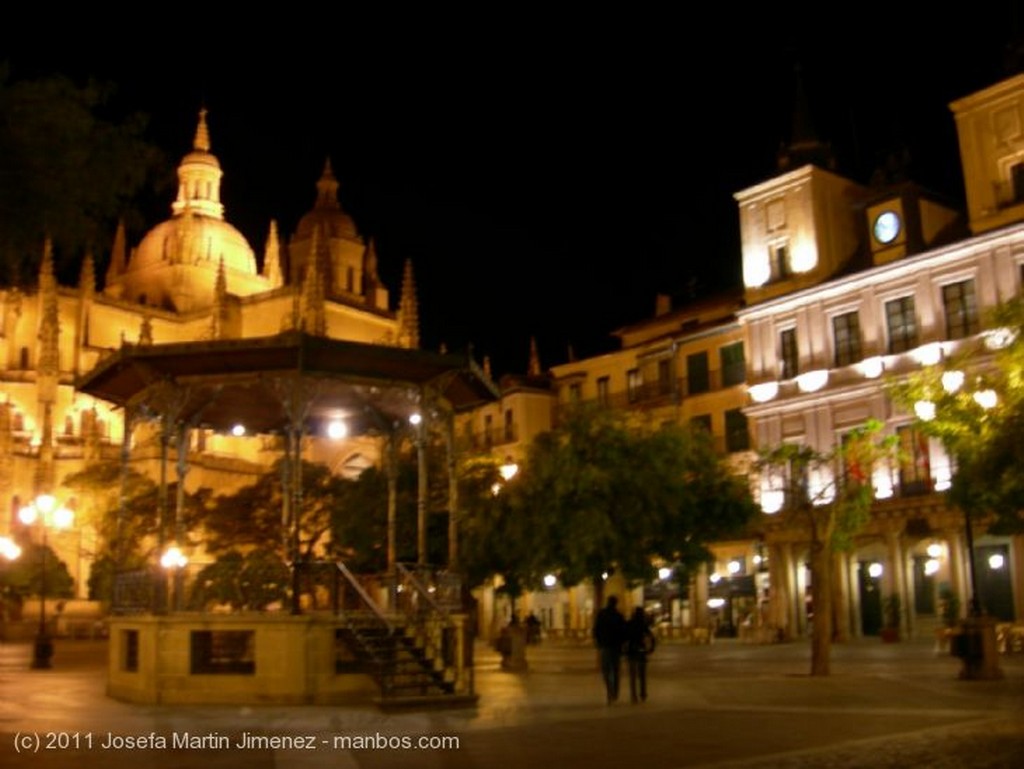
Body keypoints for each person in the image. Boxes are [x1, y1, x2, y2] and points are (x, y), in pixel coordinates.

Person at [592, 595, 627, 703]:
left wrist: (598, 642)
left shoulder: (602, 614)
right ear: (615, 603)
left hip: (605, 646)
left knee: (606, 670)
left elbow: (596, 629)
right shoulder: (619, 616)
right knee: (615, 670)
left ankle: (609, 689)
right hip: (616, 647)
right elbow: (623, 632)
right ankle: (614, 692)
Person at [624, 606, 656, 703]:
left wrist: (623, 650)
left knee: (632, 675)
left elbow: (624, 637)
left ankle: (633, 695)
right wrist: (650, 649)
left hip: (631, 651)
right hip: (641, 650)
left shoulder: (629, 623)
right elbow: (651, 637)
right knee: (642, 675)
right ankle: (642, 693)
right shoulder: (643, 624)